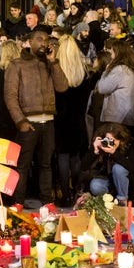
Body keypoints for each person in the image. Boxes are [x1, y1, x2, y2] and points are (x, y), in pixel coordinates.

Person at [5, 30, 69, 205]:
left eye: (46, 40)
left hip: (48, 121)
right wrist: (20, 121)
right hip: (28, 122)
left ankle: (47, 203)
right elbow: (10, 96)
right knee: (22, 166)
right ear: (29, 42)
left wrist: (53, 62)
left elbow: (63, 87)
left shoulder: (49, 64)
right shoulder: (17, 65)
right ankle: (18, 202)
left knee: (46, 165)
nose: (43, 43)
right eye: (39, 39)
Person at [53, 35, 96, 206]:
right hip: (78, 119)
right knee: (75, 156)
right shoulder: (84, 73)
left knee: (62, 157)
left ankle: (65, 194)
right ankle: (77, 189)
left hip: (61, 119)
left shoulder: (57, 70)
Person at [81, 122, 134, 201]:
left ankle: (122, 201)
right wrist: (95, 150)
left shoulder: (127, 146)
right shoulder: (101, 146)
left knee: (118, 168)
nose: (110, 143)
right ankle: (108, 200)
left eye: (113, 141)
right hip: (106, 181)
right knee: (95, 185)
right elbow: (83, 166)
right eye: (108, 140)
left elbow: (132, 168)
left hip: (123, 184)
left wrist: (114, 153)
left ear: (120, 140)